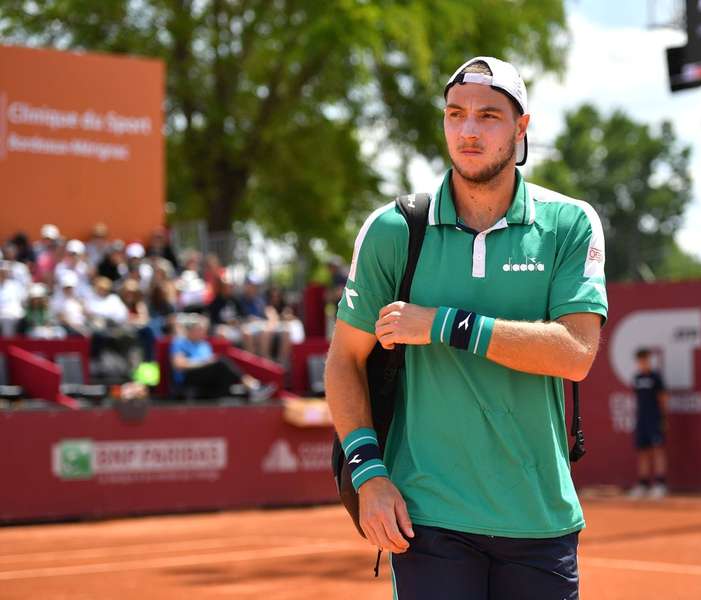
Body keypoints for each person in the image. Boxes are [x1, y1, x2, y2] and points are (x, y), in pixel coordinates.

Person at [324, 56, 608, 599]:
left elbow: (575, 353)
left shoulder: (569, 223)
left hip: (539, 517)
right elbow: (343, 360)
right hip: (430, 516)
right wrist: (369, 475)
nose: (468, 130)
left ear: (521, 127)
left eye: (488, 116)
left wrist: (444, 324)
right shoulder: (395, 229)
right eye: (455, 115)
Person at [169, 314, 276, 402]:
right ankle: (253, 387)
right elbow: (179, 365)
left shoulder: (204, 345)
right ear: (190, 330)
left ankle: (250, 392)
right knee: (222, 363)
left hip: (206, 379)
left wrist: (208, 363)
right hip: (188, 378)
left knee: (223, 370)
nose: (203, 332)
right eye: (199, 329)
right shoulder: (180, 342)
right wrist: (204, 363)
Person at [628, 348, 669, 500]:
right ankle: (643, 484)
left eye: (645, 360)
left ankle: (660, 484)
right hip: (642, 420)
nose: (642, 363)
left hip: (655, 419)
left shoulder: (656, 377)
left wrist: (663, 418)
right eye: (640, 360)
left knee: (658, 450)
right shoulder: (637, 378)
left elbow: (663, 399)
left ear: (649, 360)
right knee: (643, 451)